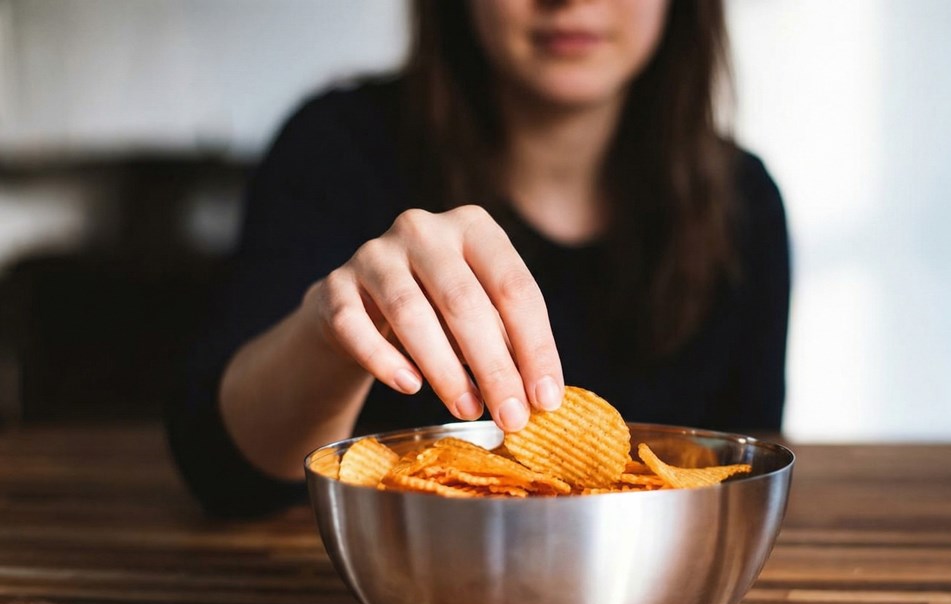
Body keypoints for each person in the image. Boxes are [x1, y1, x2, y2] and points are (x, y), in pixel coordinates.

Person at [166, 0, 791, 517]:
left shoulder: (743, 205)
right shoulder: (336, 149)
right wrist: (332, 332)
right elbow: (219, 471)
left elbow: (741, 486)